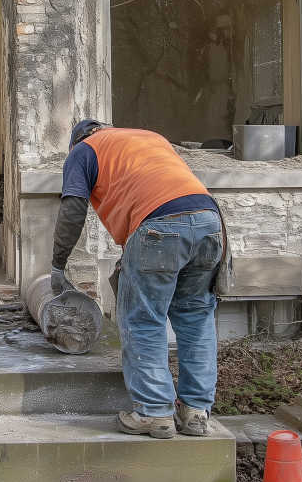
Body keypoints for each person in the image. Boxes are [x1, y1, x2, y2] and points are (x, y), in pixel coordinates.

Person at [50, 120, 225, 438]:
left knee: (144, 320)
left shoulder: (83, 151)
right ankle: (196, 412)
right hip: (210, 222)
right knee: (196, 318)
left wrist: (57, 266)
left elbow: (73, 210)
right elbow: (163, 189)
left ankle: (155, 413)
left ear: (76, 141)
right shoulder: (150, 138)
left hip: (159, 225)